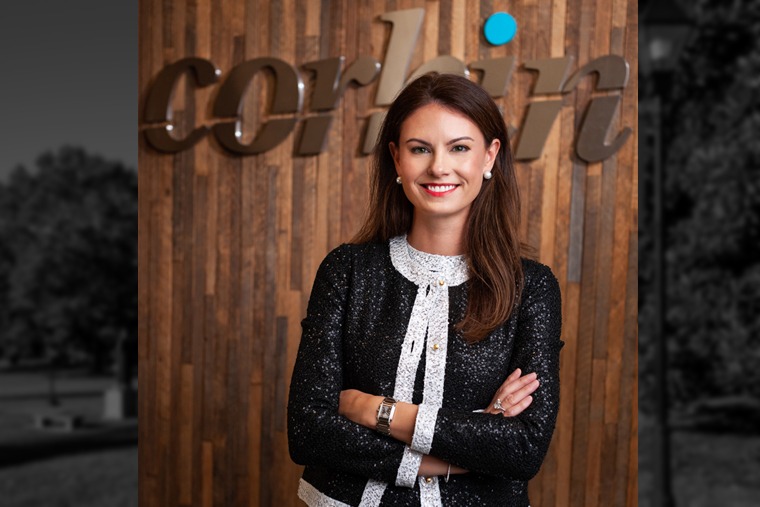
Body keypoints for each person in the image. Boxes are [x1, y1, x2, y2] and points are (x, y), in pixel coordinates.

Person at [287, 73, 564, 507]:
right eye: (420, 149)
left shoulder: (532, 287)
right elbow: (308, 432)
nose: (438, 167)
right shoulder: (347, 269)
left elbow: (522, 449)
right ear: (397, 159)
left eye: (459, 148)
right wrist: (472, 438)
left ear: (490, 155)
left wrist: (372, 411)